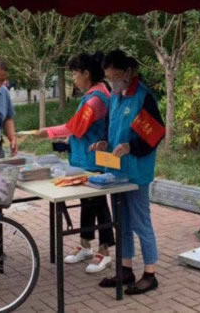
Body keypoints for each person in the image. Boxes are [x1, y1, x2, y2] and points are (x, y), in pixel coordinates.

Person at [91, 50, 164, 295]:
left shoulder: (143, 97)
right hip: (115, 171)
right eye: (108, 77)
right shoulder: (114, 96)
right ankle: (125, 269)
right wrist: (104, 141)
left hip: (136, 171)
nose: (112, 82)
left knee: (140, 222)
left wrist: (131, 146)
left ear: (128, 72)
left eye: (116, 76)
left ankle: (150, 273)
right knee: (120, 222)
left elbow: (155, 133)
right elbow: (110, 127)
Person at [36, 52, 114, 273]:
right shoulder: (92, 94)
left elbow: (75, 126)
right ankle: (86, 244)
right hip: (84, 159)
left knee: (98, 204)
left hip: (94, 161)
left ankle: (105, 251)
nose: (74, 79)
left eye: (75, 74)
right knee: (87, 203)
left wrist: (47, 132)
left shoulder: (96, 99)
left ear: (86, 73)